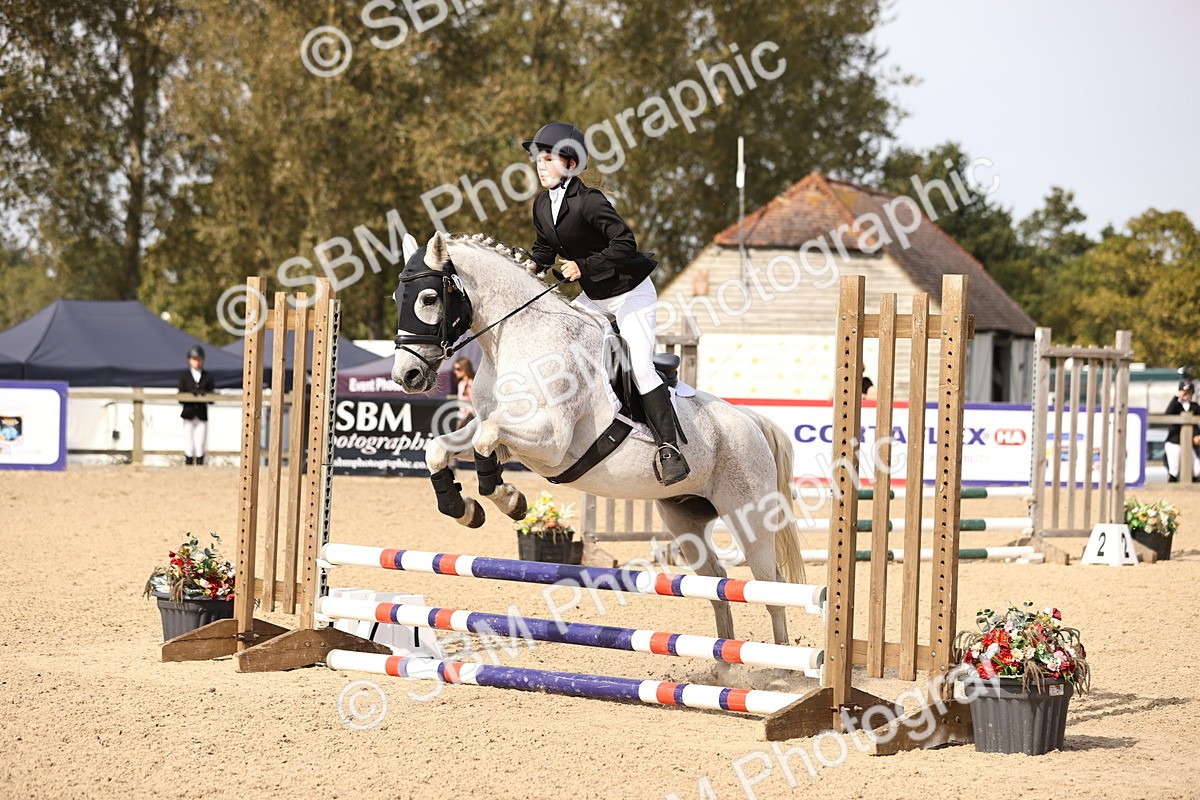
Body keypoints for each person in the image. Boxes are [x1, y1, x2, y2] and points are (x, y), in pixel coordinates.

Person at [521, 121, 688, 485]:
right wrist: (533, 264)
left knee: (641, 368)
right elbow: (545, 248)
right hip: (595, 298)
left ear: (569, 162)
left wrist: (583, 266)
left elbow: (625, 243)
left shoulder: (590, 201)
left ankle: (669, 449)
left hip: (630, 294)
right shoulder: (541, 204)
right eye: (537, 159)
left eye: (547, 158)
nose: (539, 165)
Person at [178, 345, 214, 465]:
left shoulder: (208, 377)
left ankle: (199, 465)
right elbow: (180, 397)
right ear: (189, 360)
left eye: (199, 359)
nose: (197, 362)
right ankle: (188, 464)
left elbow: (212, 398)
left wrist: (205, 395)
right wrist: (190, 395)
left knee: (200, 443)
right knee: (189, 443)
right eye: (194, 359)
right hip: (188, 413)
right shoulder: (184, 376)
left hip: (201, 414)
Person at [1164, 379, 1200, 482]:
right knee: (1174, 469)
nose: (1186, 395)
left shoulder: (1195, 406)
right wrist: (1177, 397)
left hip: (1189, 443)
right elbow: (1168, 414)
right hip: (1174, 441)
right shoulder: (1176, 405)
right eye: (1184, 392)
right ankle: (1171, 490)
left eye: (1188, 392)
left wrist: (1198, 435)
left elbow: (1196, 425)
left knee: (1196, 469)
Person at [453, 356, 475, 430]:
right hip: (461, 416)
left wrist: (469, 415)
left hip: (470, 418)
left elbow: (474, 402)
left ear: (465, 368)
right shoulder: (461, 383)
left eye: (458, 369)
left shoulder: (471, 383)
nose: (455, 371)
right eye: (454, 369)